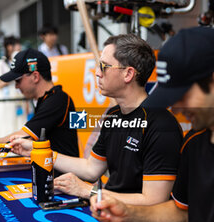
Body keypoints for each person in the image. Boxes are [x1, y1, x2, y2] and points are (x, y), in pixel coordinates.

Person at [89, 27, 214, 222]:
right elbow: (182, 212)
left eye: (183, 96)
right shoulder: (193, 142)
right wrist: (128, 212)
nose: (177, 108)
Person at [10, 34, 182, 207]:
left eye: (104, 66)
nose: (97, 73)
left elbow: (154, 202)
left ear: (128, 74)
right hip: (108, 211)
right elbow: (91, 168)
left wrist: (89, 191)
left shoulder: (161, 125)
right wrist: (38, 151)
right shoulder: (113, 115)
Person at [0, 48, 79, 177]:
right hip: (53, 175)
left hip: (63, 180)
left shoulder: (57, 100)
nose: (16, 86)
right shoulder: (48, 99)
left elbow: (23, 136)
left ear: (35, 76)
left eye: (18, 80)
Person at [0, 36, 28, 138]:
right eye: (16, 45)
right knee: (4, 127)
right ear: (9, 47)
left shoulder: (23, 64)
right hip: (4, 101)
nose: (19, 47)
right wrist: (13, 74)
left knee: (19, 125)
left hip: (19, 100)